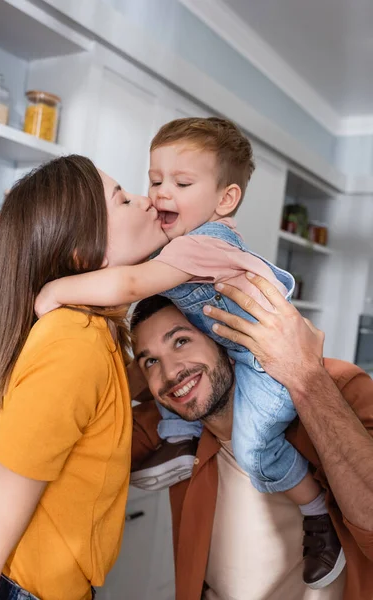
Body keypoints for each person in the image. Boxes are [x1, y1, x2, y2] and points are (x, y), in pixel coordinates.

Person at [35, 117, 342, 587]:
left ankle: (318, 515)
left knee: (253, 444)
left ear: (225, 199)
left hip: (266, 366)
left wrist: (55, 289)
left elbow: (132, 281)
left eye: (181, 182)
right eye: (155, 180)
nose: (160, 194)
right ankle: (179, 440)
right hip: (229, 348)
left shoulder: (205, 244)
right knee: (180, 374)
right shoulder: (182, 243)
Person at [0, 155, 168, 600]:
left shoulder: (90, 332)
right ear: (84, 252)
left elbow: (96, 408)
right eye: (122, 199)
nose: (146, 201)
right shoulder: (73, 340)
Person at [130, 280, 373, 600]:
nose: (171, 372)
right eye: (151, 361)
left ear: (224, 338)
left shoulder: (334, 386)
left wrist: (306, 377)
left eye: (181, 341)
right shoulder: (174, 423)